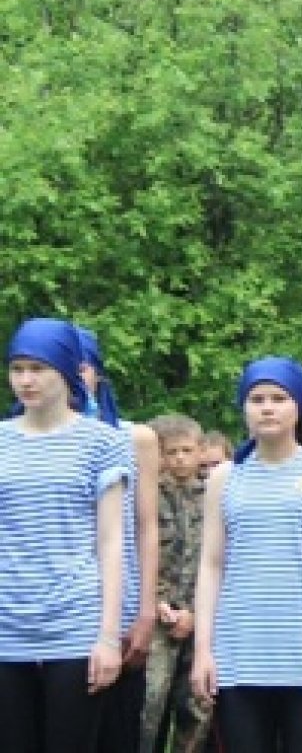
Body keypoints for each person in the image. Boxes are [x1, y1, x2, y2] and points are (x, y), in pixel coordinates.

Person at [191, 356, 302, 751]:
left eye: (279, 398)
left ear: (298, 406)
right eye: (257, 399)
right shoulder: (225, 477)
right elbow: (211, 565)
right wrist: (203, 651)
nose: (267, 408)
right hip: (238, 656)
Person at [0, 317, 129, 752]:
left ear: (67, 371)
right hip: (7, 624)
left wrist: (108, 637)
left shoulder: (102, 442)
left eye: (38, 369)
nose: (26, 380)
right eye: (17, 369)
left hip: (75, 622)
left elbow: (111, 542)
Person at [77, 327, 160, 753]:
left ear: (98, 373)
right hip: (50, 613)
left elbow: (146, 527)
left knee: (117, 729)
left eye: (82, 367)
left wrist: (145, 612)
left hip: (121, 608)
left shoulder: (135, 438)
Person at [141, 413, 212, 753]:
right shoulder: (144, 496)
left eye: (187, 450)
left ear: (201, 451)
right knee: (149, 707)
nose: (180, 459)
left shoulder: (213, 496)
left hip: (201, 619)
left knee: (196, 708)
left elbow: (219, 560)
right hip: (156, 618)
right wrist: (158, 601)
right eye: (171, 452)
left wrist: (195, 612)